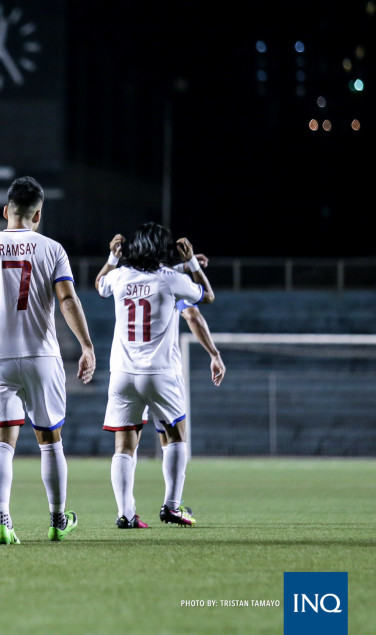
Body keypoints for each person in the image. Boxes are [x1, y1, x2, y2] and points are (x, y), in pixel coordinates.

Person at [0, 176, 96, 544]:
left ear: (6, 211)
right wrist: (87, 345)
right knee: (50, 441)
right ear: (38, 214)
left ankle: (2, 520)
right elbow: (66, 300)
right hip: (42, 357)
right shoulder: (51, 248)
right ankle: (58, 519)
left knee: (2, 442)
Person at [95, 224, 215, 530]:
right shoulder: (170, 278)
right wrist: (189, 265)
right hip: (159, 372)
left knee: (124, 446)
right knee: (176, 436)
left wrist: (112, 256)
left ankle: (125, 513)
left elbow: (99, 283)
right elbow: (207, 296)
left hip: (123, 373)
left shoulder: (120, 276)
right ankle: (172, 507)